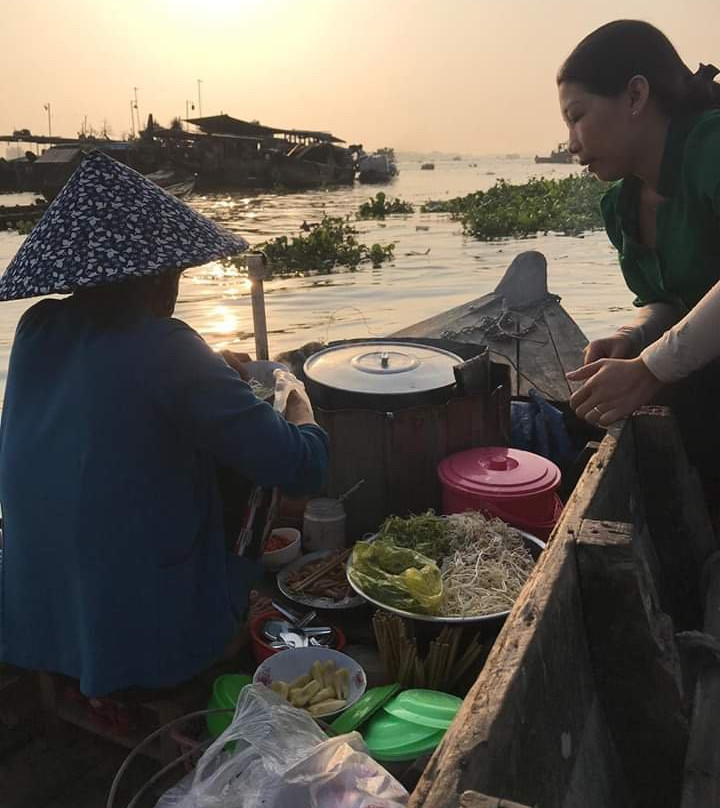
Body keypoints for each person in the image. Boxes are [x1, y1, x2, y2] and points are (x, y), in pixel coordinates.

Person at [0, 151, 329, 698]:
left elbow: (114, 392)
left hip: (36, 619)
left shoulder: (37, 328)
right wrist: (299, 402)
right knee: (259, 476)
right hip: (147, 644)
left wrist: (207, 363)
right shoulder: (167, 348)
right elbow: (304, 467)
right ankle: (209, 624)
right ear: (157, 278)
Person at [556, 20, 720, 427]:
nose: (572, 143)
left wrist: (651, 368)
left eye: (576, 117)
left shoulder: (711, 147)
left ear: (635, 95)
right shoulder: (622, 205)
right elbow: (669, 301)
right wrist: (634, 336)